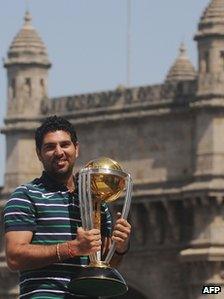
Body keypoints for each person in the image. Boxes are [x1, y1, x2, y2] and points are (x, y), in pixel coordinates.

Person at [3, 115, 131, 299]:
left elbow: (106, 263)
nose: (59, 152)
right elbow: (15, 256)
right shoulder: (25, 196)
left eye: (64, 144)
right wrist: (72, 248)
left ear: (76, 149)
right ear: (39, 153)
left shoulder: (95, 201)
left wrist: (120, 246)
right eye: (50, 147)